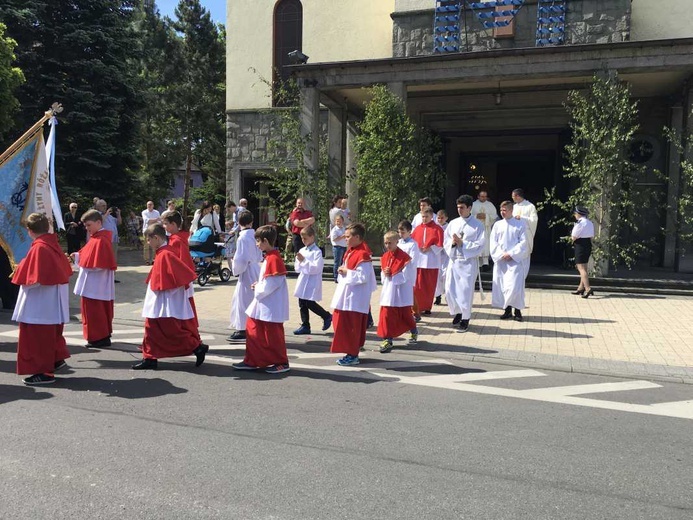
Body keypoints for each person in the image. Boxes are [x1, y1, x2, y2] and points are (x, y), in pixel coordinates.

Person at [131, 224, 208, 370]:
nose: (148, 243)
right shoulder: (163, 252)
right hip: (159, 298)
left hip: (163, 299)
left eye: (149, 240)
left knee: (169, 329)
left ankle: (197, 347)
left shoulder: (166, 254)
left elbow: (174, 280)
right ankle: (149, 357)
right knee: (151, 328)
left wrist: (163, 296)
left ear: (156, 238)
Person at [11, 213, 73, 385]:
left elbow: (34, 279)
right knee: (49, 334)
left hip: (40, 302)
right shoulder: (51, 244)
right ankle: (55, 360)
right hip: (50, 300)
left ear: (30, 231)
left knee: (38, 337)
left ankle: (44, 372)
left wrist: (20, 271)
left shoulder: (39, 248)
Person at [232, 225, 291, 374]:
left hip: (270, 304)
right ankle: (254, 360)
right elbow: (269, 281)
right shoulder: (271, 257)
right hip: (265, 303)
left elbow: (273, 283)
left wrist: (258, 287)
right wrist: (259, 284)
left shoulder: (273, 258)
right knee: (254, 330)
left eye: (258, 241)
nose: (256, 245)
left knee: (272, 335)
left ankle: (281, 362)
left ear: (265, 241)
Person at [330, 223, 377, 366]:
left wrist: (346, 272)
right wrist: (343, 270)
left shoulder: (362, 253)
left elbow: (363, 277)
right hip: (347, 295)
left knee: (351, 327)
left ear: (357, 237)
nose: (345, 238)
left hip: (355, 298)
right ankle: (352, 349)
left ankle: (352, 355)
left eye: (348, 236)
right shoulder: (351, 250)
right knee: (340, 323)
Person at [73, 209, 116, 347]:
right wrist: (78, 256)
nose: (87, 228)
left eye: (89, 225)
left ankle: (98, 338)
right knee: (96, 311)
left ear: (98, 222)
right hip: (94, 283)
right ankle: (100, 336)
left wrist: (83, 262)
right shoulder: (96, 238)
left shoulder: (101, 240)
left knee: (95, 312)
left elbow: (99, 263)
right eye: (85, 226)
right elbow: (88, 256)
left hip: (96, 284)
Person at [444, 195, 486, 332]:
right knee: (450, 290)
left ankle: (465, 318)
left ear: (469, 208)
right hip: (454, 260)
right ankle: (458, 312)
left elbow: (480, 245)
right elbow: (446, 241)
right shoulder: (453, 223)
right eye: (458, 207)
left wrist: (463, 243)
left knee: (465, 292)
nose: (459, 210)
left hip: (467, 263)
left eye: (462, 207)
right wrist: (453, 243)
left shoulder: (478, 225)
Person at [377, 231, 418, 353]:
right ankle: (387, 338)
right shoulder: (385, 257)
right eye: (385, 243)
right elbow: (382, 273)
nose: (388, 245)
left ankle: (413, 330)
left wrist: (393, 275)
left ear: (397, 242)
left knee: (405, 314)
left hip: (400, 291)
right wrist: (385, 273)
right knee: (386, 314)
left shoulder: (404, 257)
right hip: (389, 290)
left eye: (390, 243)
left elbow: (407, 274)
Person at [490, 200, 530, 322]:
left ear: (511, 210)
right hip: (501, 261)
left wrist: (511, 254)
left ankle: (517, 311)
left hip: (515, 261)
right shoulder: (497, 225)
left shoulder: (520, 224)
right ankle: (507, 310)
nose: (502, 212)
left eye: (505, 210)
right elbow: (493, 242)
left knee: (515, 286)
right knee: (503, 286)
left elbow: (523, 242)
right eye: (501, 210)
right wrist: (501, 254)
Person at [227, 210, 262, 342]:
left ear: (238, 223)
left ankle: (243, 328)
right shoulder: (255, 234)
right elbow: (259, 254)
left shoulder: (242, 237)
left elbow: (241, 258)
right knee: (252, 298)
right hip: (255, 268)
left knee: (243, 300)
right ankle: (252, 325)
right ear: (251, 222)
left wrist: (235, 269)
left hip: (246, 271)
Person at [163, 211, 200, 330]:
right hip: (182, 280)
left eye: (165, 223)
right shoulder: (179, 238)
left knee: (182, 309)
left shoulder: (176, 241)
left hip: (179, 281)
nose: (164, 226)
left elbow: (179, 263)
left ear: (173, 224)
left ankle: (188, 334)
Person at [293, 226, 332, 335]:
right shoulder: (302, 250)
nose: (303, 240)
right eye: (302, 238)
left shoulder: (317, 252)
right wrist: (300, 262)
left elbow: (316, 268)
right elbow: (297, 268)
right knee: (301, 302)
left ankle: (326, 316)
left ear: (312, 237)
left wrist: (304, 261)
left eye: (305, 238)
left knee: (309, 302)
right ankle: (305, 325)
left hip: (312, 280)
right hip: (303, 279)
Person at [411, 207, 444, 315]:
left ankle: (427, 307)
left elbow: (441, 244)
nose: (424, 219)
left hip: (431, 261)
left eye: (426, 217)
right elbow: (413, 242)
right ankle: (418, 307)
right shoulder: (417, 228)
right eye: (423, 217)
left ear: (431, 216)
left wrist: (430, 248)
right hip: (419, 261)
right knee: (418, 286)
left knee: (429, 286)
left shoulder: (437, 229)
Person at [397, 219, 421, 322]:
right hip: (398, 272)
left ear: (409, 231)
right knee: (400, 293)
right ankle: (403, 313)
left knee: (409, 293)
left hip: (408, 272)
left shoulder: (413, 244)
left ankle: (416, 313)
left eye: (403, 232)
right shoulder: (398, 243)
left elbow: (413, 259)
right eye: (399, 232)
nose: (401, 234)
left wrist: (403, 264)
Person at [511, 188, 538, 278]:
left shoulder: (530, 206)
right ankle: (515, 276)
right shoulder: (514, 207)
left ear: (517, 196)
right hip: (514, 234)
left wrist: (522, 217)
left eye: (513, 196)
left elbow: (534, 220)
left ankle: (523, 276)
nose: (512, 198)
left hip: (525, 234)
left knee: (524, 255)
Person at [571, 206, 595, 298]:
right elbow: (591, 236)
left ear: (579, 214)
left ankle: (588, 288)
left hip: (580, 244)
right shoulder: (590, 223)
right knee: (584, 268)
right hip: (587, 244)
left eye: (575, 213)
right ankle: (581, 288)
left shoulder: (580, 223)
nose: (575, 215)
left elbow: (574, 236)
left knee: (580, 268)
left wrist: (573, 239)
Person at [471, 191, 498, 271]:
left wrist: (486, 216)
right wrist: (476, 216)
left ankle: (485, 263)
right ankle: (478, 264)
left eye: (485, 196)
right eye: (482, 196)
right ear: (478, 196)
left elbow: (494, 216)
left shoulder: (490, 205)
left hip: (486, 228)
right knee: (478, 243)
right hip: (476, 229)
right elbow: (468, 215)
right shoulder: (473, 204)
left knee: (486, 244)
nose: (484, 198)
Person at [95, 199, 121, 282]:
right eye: (103, 205)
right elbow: (100, 222)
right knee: (105, 258)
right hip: (105, 241)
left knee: (113, 258)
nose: (105, 207)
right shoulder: (97, 215)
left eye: (105, 205)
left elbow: (119, 222)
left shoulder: (109, 216)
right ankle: (104, 277)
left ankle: (112, 277)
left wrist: (118, 214)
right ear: (98, 206)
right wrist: (106, 214)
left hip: (114, 240)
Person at [434, 209, 449, 306]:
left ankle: (448, 296)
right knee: (437, 276)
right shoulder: (434, 227)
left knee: (446, 275)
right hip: (437, 254)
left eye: (442, 218)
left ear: (446, 218)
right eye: (438, 218)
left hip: (447, 254)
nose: (440, 220)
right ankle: (437, 296)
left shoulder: (449, 227)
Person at [141, 201, 161, 265]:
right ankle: (147, 260)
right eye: (148, 205)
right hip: (146, 230)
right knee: (146, 246)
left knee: (154, 245)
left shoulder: (156, 212)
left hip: (154, 230)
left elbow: (159, 222)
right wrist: (155, 220)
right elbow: (147, 221)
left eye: (150, 204)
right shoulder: (144, 212)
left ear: (153, 205)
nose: (149, 206)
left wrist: (153, 220)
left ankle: (154, 259)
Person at [329, 213, 347, 283]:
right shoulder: (335, 230)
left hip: (344, 247)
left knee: (343, 263)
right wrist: (342, 237)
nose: (338, 222)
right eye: (337, 221)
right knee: (337, 263)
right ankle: (336, 277)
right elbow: (334, 239)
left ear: (342, 221)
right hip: (337, 247)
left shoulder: (344, 228)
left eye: (340, 221)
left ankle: (342, 276)